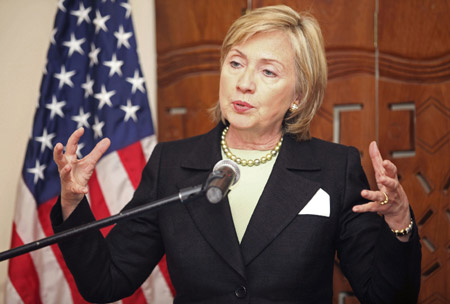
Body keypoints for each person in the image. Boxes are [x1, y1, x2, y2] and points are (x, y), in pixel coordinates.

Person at [51, 5, 421, 304]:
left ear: (298, 96)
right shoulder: (172, 164)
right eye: (236, 63)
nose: (244, 82)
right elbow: (106, 281)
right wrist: (71, 202)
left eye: (268, 72)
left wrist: (398, 223)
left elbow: (386, 295)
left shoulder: (333, 169)